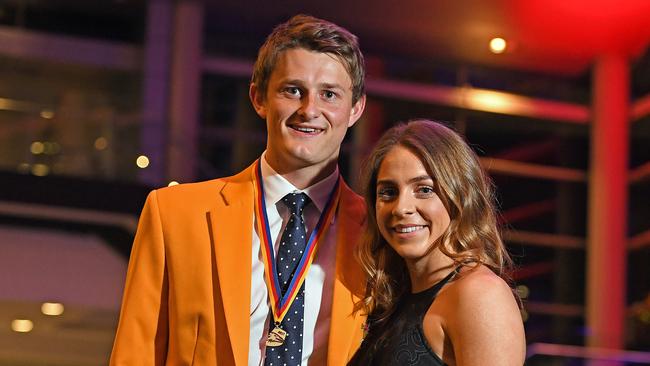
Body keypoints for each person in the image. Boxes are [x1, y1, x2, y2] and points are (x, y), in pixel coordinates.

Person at [110, 14, 367, 366]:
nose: (310, 110)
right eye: (293, 90)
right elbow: (134, 356)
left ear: (355, 109)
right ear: (259, 98)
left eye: (329, 94)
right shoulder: (174, 214)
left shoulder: (378, 234)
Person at [348, 120, 526, 365]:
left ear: (460, 195)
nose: (401, 208)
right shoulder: (393, 299)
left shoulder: (479, 294)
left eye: (424, 189)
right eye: (388, 192)